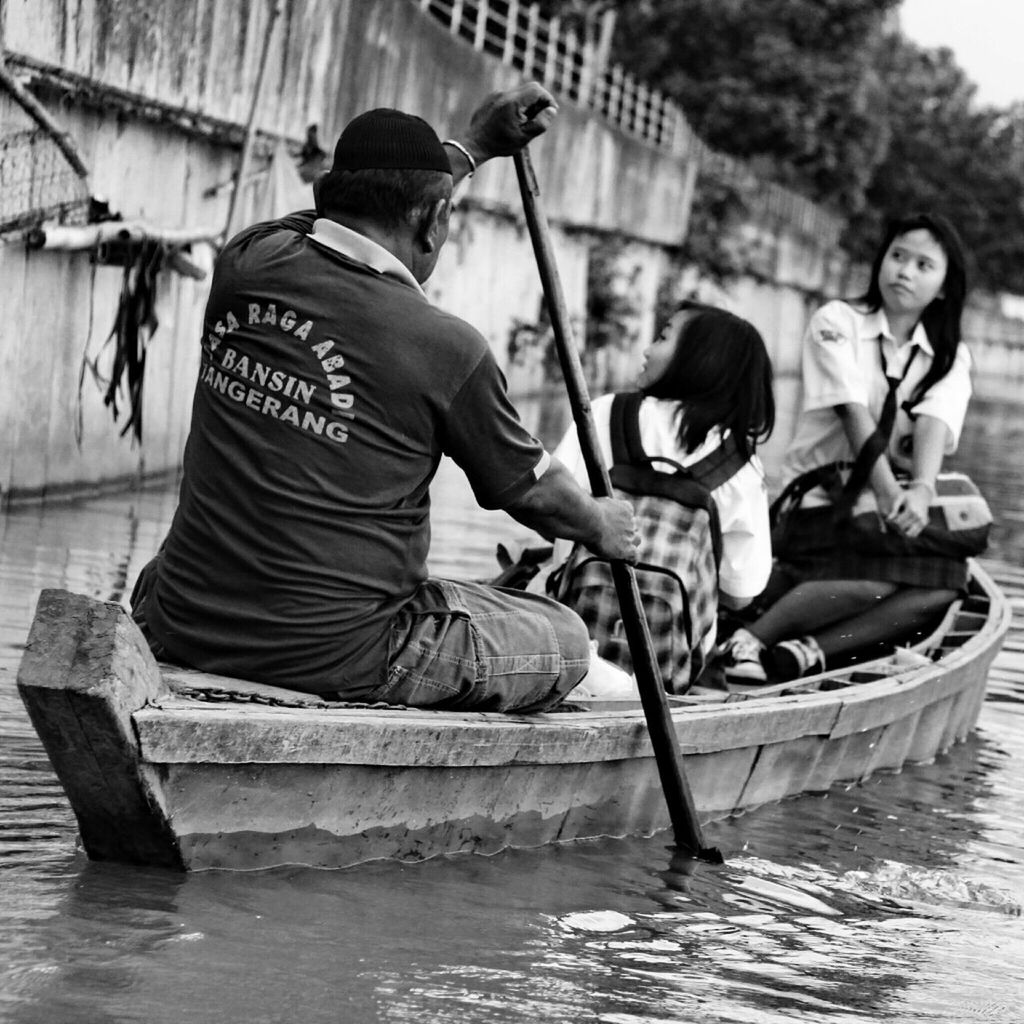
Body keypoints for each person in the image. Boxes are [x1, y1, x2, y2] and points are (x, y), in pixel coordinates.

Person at [129, 82, 640, 714]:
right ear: (433, 220)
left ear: (325, 198)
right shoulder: (448, 348)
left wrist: (474, 146)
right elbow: (533, 493)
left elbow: (339, 213)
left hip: (179, 617)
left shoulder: (247, 260)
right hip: (343, 652)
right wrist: (601, 523)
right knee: (564, 638)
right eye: (442, 216)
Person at [719, 212, 974, 684]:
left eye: (923, 265)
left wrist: (919, 491)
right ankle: (747, 641)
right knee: (884, 574)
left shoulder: (949, 354)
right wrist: (886, 493)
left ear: (943, 286)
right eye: (897, 256)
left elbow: (934, 423)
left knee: (949, 583)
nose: (904, 271)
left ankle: (805, 651)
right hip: (817, 499)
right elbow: (852, 413)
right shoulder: (836, 321)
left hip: (877, 506)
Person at [547, 301, 775, 689]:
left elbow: (552, 510)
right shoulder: (741, 465)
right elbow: (741, 592)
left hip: (573, 648)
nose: (647, 349)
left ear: (699, 359)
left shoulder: (603, 413)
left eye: (663, 336)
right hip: (668, 670)